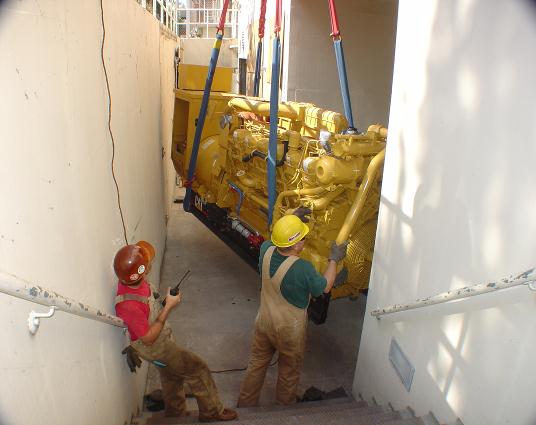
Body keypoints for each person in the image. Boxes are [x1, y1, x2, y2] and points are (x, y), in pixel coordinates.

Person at [114, 241, 238, 423]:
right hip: (155, 347)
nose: (150, 265)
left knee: (170, 374)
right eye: (147, 264)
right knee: (197, 368)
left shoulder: (134, 281)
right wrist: (169, 308)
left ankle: (175, 412)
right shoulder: (129, 305)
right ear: (142, 272)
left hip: (161, 340)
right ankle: (212, 412)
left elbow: (149, 311)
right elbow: (148, 339)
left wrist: (164, 301)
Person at [237, 213, 348, 407]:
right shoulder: (302, 268)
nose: (304, 241)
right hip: (288, 331)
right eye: (302, 238)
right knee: (288, 371)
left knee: (256, 364)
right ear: (297, 245)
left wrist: (291, 220)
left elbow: (275, 241)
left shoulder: (265, 249)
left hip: (263, 321)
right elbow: (325, 286)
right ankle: (284, 408)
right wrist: (333, 259)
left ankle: (245, 405)